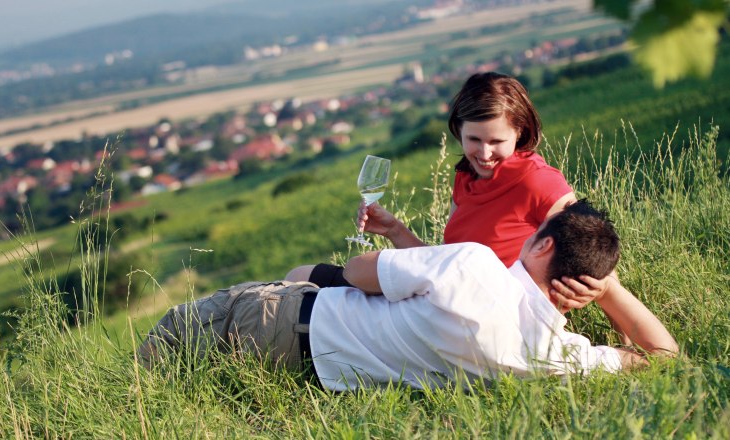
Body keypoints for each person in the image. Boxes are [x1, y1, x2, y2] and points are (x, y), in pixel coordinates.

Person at [138, 201, 677, 391]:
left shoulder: (474, 263)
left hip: (279, 321)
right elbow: (663, 355)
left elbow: (357, 270)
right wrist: (609, 290)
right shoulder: (555, 354)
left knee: (154, 355)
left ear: (544, 247)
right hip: (308, 374)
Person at [286, 72, 580, 301]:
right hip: (443, 298)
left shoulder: (538, 180)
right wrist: (394, 230)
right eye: (474, 140)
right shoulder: (466, 178)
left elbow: (588, 251)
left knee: (324, 285)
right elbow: (440, 266)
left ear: (520, 132)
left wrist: (621, 327)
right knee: (299, 276)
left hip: (483, 312)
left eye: (497, 142)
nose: (485, 153)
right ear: (459, 131)